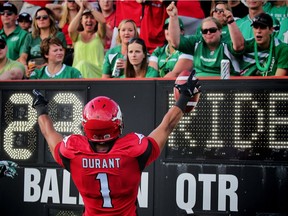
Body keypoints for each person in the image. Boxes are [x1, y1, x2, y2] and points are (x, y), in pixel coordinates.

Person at [31, 67, 201, 215]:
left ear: (85, 126)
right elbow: (166, 126)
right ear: (118, 123)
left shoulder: (73, 152)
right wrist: (184, 96)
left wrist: (40, 108)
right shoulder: (133, 152)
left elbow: (48, 133)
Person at [166, 2, 244, 77]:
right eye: (205, 31)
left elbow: (239, 46)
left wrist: (230, 20)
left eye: (212, 30)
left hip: (224, 86)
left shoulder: (226, 43)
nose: (208, 33)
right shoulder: (197, 42)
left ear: (220, 31)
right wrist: (173, 17)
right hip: (200, 86)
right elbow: (175, 42)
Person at [68, 0, 106, 78]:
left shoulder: (99, 35)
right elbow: (71, 30)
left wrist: (90, 8)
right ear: (81, 21)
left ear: (96, 22)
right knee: (82, 64)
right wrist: (81, 9)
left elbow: (103, 21)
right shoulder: (76, 36)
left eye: (92, 18)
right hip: (78, 73)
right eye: (86, 17)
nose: (89, 20)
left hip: (96, 73)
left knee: (84, 64)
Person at [46, 0, 80, 66]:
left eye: (74, 1)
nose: (72, 3)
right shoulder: (63, 17)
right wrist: (63, 6)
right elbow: (48, 6)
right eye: (70, 1)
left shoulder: (81, 16)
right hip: (65, 48)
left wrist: (81, 5)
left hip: (77, 47)